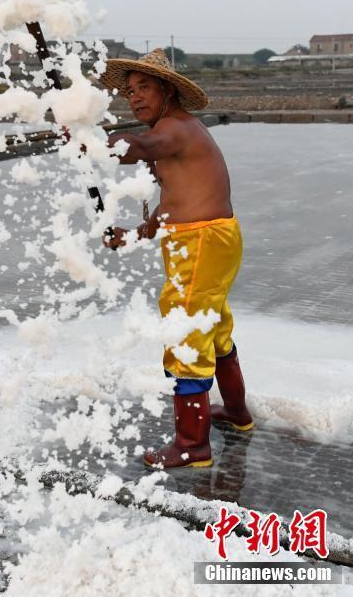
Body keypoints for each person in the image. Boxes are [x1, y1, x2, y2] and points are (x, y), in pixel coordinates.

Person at [101, 48, 253, 469]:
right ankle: (237, 413)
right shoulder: (177, 133)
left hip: (202, 241)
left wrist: (104, 144)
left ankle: (192, 444)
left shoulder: (174, 130)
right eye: (129, 91)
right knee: (213, 325)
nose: (133, 98)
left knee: (186, 330)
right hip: (208, 239)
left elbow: (140, 143)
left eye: (143, 88)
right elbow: (171, 205)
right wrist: (133, 235)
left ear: (167, 89)